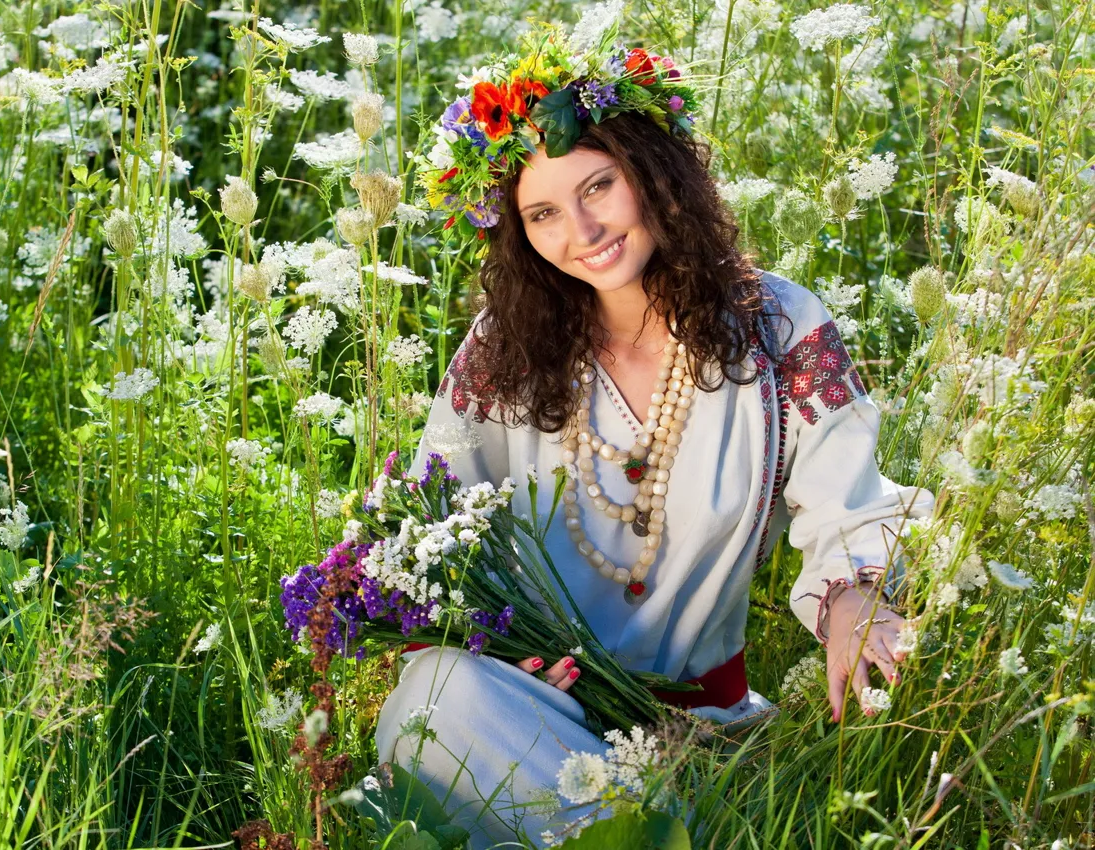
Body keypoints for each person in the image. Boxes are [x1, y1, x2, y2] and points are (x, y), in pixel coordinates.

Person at [374, 19, 935, 848]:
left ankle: (649, 826)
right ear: (518, 232)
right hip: (533, 711)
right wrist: (490, 641)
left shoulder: (775, 327)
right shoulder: (507, 345)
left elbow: (848, 505)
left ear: (652, 172)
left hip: (693, 735)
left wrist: (853, 597)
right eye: (542, 212)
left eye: (598, 186)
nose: (582, 231)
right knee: (431, 697)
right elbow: (430, 525)